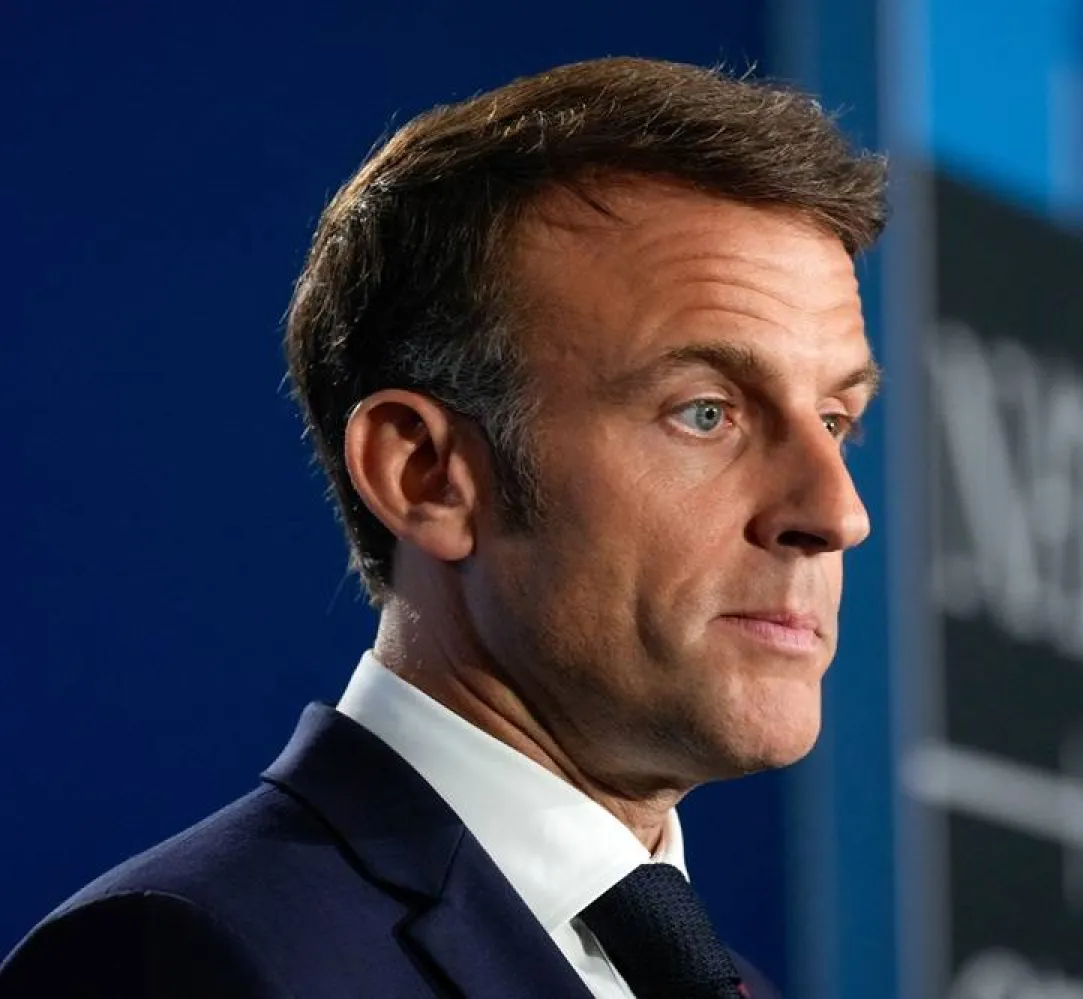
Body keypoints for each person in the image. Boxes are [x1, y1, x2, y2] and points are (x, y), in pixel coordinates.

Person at [0, 56, 885, 998]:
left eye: (834, 422)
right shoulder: (191, 960)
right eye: (705, 411)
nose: (835, 513)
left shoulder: (724, 984)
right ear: (425, 474)